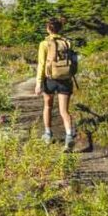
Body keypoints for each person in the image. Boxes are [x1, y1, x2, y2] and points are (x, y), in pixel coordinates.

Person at [34, 17, 76, 151]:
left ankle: (48, 134)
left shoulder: (44, 44)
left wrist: (38, 83)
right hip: (65, 80)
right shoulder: (68, 42)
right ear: (60, 28)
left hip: (50, 80)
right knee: (64, 111)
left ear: (48, 29)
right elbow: (73, 61)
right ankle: (69, 136)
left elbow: (41, 64)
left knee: (48, 106)